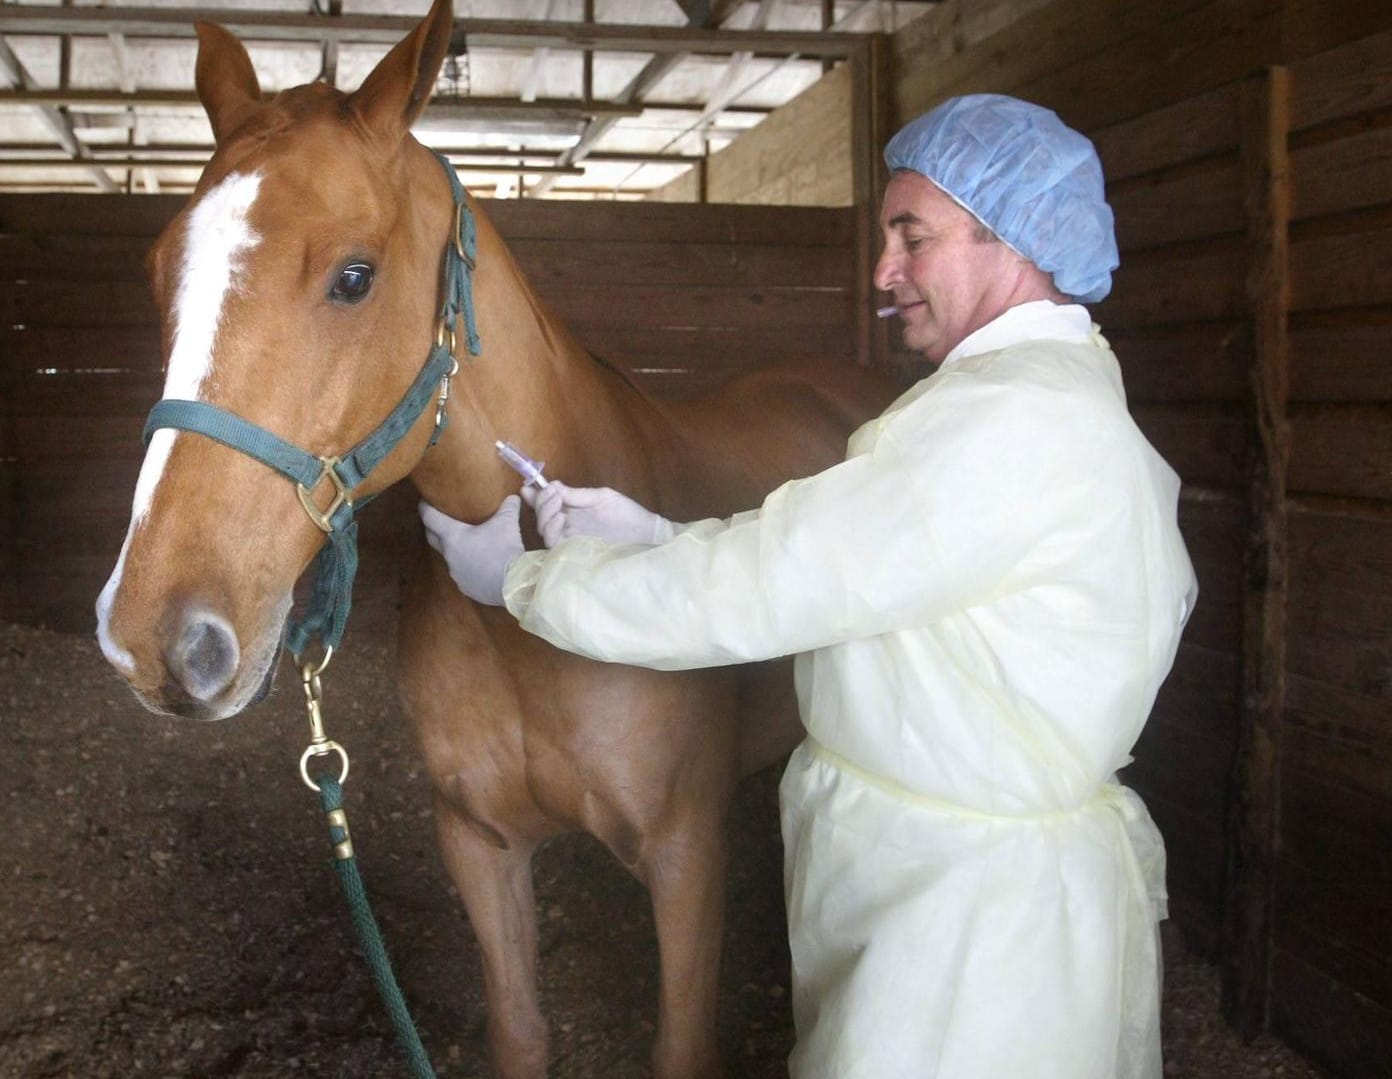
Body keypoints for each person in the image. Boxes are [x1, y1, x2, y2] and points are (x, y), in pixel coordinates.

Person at [419, 93, 1196, 1079]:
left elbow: (766, 589)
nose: (884, 274)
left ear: (1008, 237)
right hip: (976, 891)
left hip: (959, 926)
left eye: (911, 237)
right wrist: (659, 530)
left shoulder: (1004, 428)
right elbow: (860, 565)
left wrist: (524, 580)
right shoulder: (1048, 404)